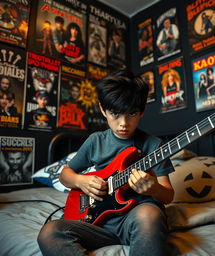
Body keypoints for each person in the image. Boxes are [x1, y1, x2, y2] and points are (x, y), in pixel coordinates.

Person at [37, 70, 174, 255]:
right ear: (103, 109)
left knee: (150, 215)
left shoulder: (155, 145)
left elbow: (168, 196)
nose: (123, 123)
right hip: (98, 225)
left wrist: (153, 188)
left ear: (142, 111)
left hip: (137, 220)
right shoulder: (96, 141)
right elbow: (65, 175)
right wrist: (81, 181)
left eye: (131, 113)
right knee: (49, 232)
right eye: (115, 114)